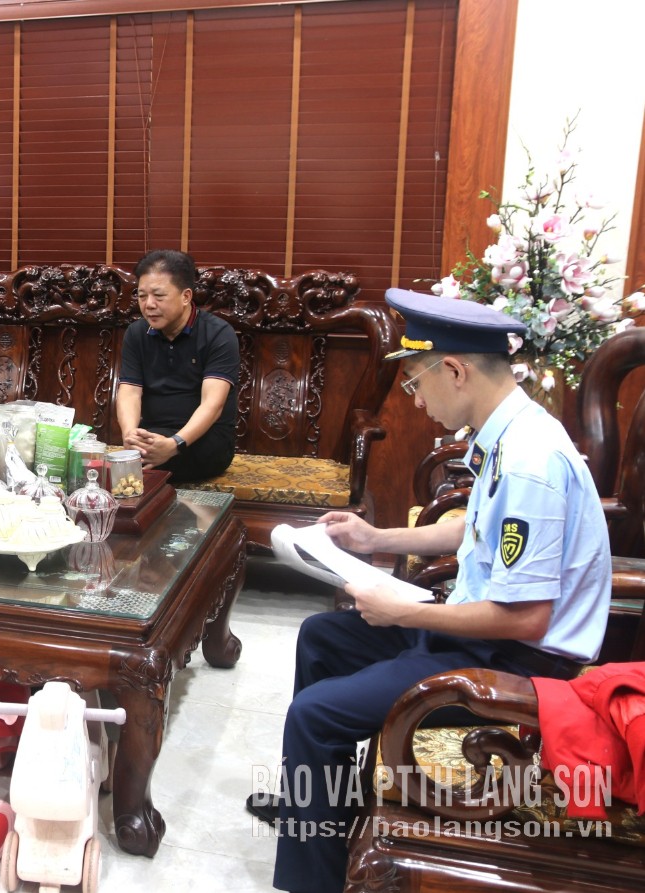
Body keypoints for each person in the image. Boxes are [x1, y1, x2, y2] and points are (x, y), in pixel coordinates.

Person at [253, 289, 611, 893]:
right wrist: (375, 538)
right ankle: (317, 810)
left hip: (515, 666)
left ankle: (312, 881)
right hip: (481, 636)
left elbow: (525, 619)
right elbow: (477, 528)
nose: (416, 401)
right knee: (323, 636)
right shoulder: (509, 432)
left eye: (416, 383)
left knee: (314, 715)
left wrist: (401, 609)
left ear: (455, 370)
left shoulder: (531, 461)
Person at [115, 248, 239, 482]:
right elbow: (130, 392)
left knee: (139, 467)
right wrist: (130, 436)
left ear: (186, 296)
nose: (149, 305)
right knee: (138, 457)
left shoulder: (218, 334)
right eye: (142, 296)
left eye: (159, 296)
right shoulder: (137, 333)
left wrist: (175, 444)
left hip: (204, 440)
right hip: (153, 436)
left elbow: (213, 404)